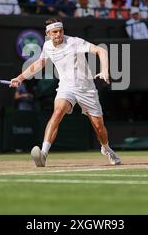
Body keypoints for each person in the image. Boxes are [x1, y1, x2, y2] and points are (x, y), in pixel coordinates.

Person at [10, 18, 121, 167]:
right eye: (54, 32)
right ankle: (43, 154)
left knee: (99, 127)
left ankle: (106, 148)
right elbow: (39, 63)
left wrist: (105, 70)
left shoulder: (75, 42)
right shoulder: (47, 46)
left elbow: (100, 50)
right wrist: (20, 78)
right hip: (66, 87)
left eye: (60, 31)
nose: (58, 34)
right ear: (48, 33)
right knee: (57, 112)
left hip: (86, 89)